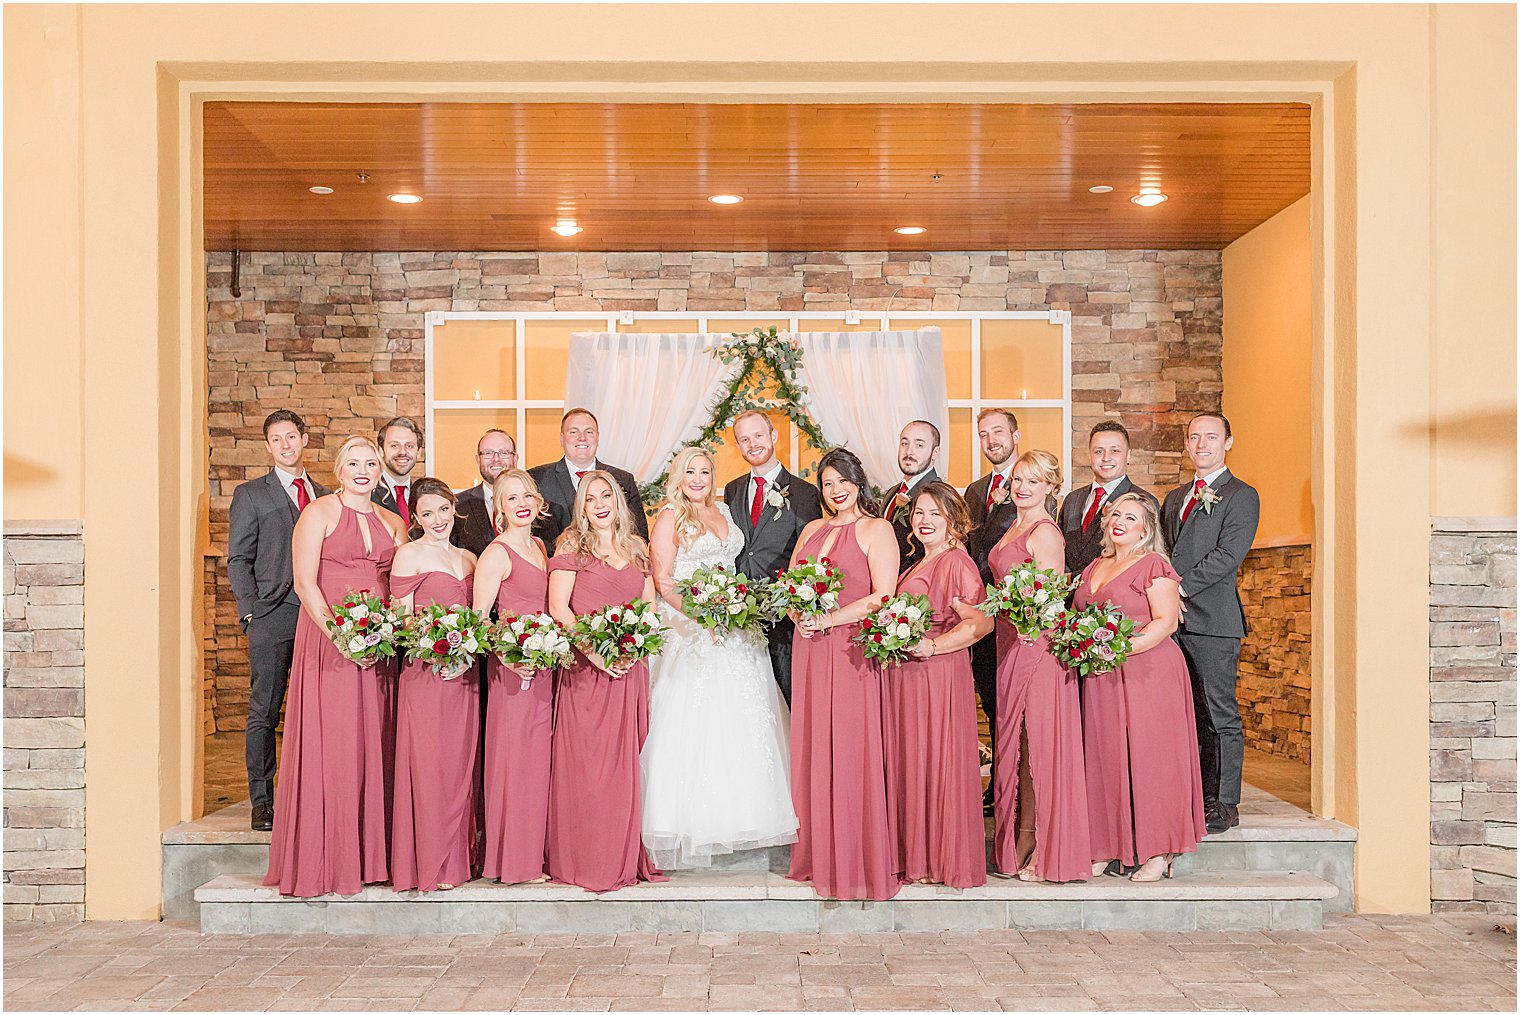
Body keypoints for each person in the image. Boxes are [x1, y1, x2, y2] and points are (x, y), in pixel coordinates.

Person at [640, 447, 799, 868]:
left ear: (714, 476)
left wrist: (731, 608)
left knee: (747, 719)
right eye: (690, 472)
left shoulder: (726, 512)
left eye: (705, 472)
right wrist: (702, 615)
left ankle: (748, 818)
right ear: (679, 476)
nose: (697, 479)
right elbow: (664, 580)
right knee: (697, 720)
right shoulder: (670, 517)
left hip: (736, 627)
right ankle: (694, 823)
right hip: (692, 628)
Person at [264, 435, 408, 897]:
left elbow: (402, 586)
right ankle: (328, 856)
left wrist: (387, 635)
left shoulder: (393, 522)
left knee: (376, 742)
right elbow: (305, 585)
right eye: (354, 462)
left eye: (371, 462)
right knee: (337, 744)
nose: (362, 470)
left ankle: (371, 857)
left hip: (380, 650)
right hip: (331, 646)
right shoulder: (318, 512)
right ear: (339, 468)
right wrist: (343, 638)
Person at [786, 447, 902, 901]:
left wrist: (828, 621)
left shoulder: (878, 529)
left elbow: (883, 595)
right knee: (815, 743)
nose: (836, 490)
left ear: (859, 481)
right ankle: (817, 850)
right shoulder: (812, 528)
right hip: (810, 647)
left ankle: (855, 853)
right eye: (828, 483)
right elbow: (793, 583)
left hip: (851, 648)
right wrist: (798, 612)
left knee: (851, 745)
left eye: (843, 480)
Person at [1076, 492, 1207, 881]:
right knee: (1105, 758)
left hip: (1149, 671)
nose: (1120, 522)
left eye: (1131, 518)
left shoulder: (1154, 565)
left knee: (1153, 760)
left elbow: (1165, 622)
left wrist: (1116, 650)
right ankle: (1106, 845)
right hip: (1102, 676)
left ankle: (1158, 849)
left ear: (1146, 529)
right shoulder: (1094, 566)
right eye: (1116, 514)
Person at [545, 472, 666, 893]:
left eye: (606, 496)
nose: (599, 503)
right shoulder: (570, 548)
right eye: (590, 498)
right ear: (581, 506)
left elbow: (649, 606)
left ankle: (620, 853)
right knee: (588, 767)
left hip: (630, 670)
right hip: (586, 673)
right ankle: (586, 857)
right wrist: (596, 654)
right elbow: (560, 608)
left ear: (618, 502)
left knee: (624, 766)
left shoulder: (637, 550)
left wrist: (636, 646)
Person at [986, 450, 1092, 883]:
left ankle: (1044, 847)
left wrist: (1028, 625)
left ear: (1052, 486)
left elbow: (1049, 599)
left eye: (1034, 481)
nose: (1022, 487)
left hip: (1036, 647)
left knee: (1039, 749)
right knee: (1020, 747)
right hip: (1010, 642)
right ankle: (1021, 839)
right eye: (1018, 480)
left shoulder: (1045, 532)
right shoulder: (1015, 523)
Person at [884, 482, 993, 888]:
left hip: (938, 676)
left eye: (934, 514)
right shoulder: (918, 562)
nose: (925, 521)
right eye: (919, 514)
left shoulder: (955, 563)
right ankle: (916, 854)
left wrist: (933, 645)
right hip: (909, 677)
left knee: (937, 757)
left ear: (953, 520)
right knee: (914, 759)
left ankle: (937, 858)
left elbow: (981, 622)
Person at [227, 409, 329, 832]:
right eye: (277, 439)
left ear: (304, 439)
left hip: (318, 615)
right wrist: (251, 609)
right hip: (272, 615)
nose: (286, 445)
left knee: (318, 709)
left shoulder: (325, 495)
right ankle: (263, 800)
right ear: (268, 446)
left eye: (292, 436)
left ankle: (312, 795)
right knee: (265, 710)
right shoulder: (251, 494)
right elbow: (238, 558)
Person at [1161, 413, 1260, 835]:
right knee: (1189, 713)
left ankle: (1224, 802)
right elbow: (1164, 551)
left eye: (1211, 437)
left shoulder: (1241, 495)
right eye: (1194, 437)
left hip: (1214, 622)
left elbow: (1227, 555)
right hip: (1172, 623)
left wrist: (1176, 590)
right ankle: (1195, 792)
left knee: (1220, 715)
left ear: (1228, 442)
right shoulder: (1176, 496)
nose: (1201, 444)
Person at [388, 478, 480, 893]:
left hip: (465, 678)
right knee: (429, 766)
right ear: (417, 518)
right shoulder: (408, 555)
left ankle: (458, 860)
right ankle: (430, 861)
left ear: (454, 509)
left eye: (443, 510)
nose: (437, 520)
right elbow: (402, 620)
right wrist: (439, 647)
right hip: (427, 675)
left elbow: (481, 618)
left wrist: (466, 653)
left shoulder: (470, 558)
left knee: (460, 765)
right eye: (427, 513)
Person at [471, 468, 554, 884]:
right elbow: (478, 621)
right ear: (498, 509)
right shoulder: (497, 553)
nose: (521, 503)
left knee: (539, 765)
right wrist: (510, 656)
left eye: (526, 496)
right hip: (513, 671)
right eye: (510, 498)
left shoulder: (540, 546)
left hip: (545, 670)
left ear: (537, 502)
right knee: (515, 762)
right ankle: (512, 862)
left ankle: (534, 855)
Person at [721, 410, 822, 705]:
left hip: (783, 619)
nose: (752, 444)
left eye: (758, 436)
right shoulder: (733, 489)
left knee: (787, 700)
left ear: (773, 436)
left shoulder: (805, 493)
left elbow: (809, 558)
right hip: (739, 614)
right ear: (738, 446)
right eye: (744, 439)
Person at [963, 408, 1021, 813]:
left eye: (998, 432)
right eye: (984, 435)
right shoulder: (974, 490)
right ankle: (998, 785)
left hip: (1017, 614)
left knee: (1014, 704)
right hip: (980, 614)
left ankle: (1017, 786)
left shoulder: (1031, 481)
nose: (991, 441)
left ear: (1016, 436)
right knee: (990, 701)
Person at [529, 408, 648, 550]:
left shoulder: (623, 479)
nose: (582, 437)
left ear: (598, 437)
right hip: (555, 566)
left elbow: (639, 534)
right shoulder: (536, 479)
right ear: (562, 438)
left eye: (589, 432)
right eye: (573, 432)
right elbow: (530, 535)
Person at [1059, 421, 1159, 577]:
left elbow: (1142, 560)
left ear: (1128, 455)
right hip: (1063, 597)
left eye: (1115, 451)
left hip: (1110, 594)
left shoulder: (1143, 502)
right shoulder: (1073, 499)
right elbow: (1060, 547)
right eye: (1098, 451)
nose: (1106, 458)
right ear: (1089, 455)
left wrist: (1072, 579)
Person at [882, 420, 943, 572]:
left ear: (935, 453)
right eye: (904, 443)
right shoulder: (892, 492)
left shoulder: (938, 494)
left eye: (919, 445)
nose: (909, 452)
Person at [452, 429, 518, 557]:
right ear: (478, 460)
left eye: (504, 452)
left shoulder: (532, 505)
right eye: (488, 453)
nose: (496, 459)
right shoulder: (457, 507)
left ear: (515, 459)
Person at [372, 417, 423, 536]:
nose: (402, 452)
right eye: (394, 445)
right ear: (381, 450)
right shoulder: (367, 494)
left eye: (409, 446)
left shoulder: (423, 495)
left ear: (419, 452)